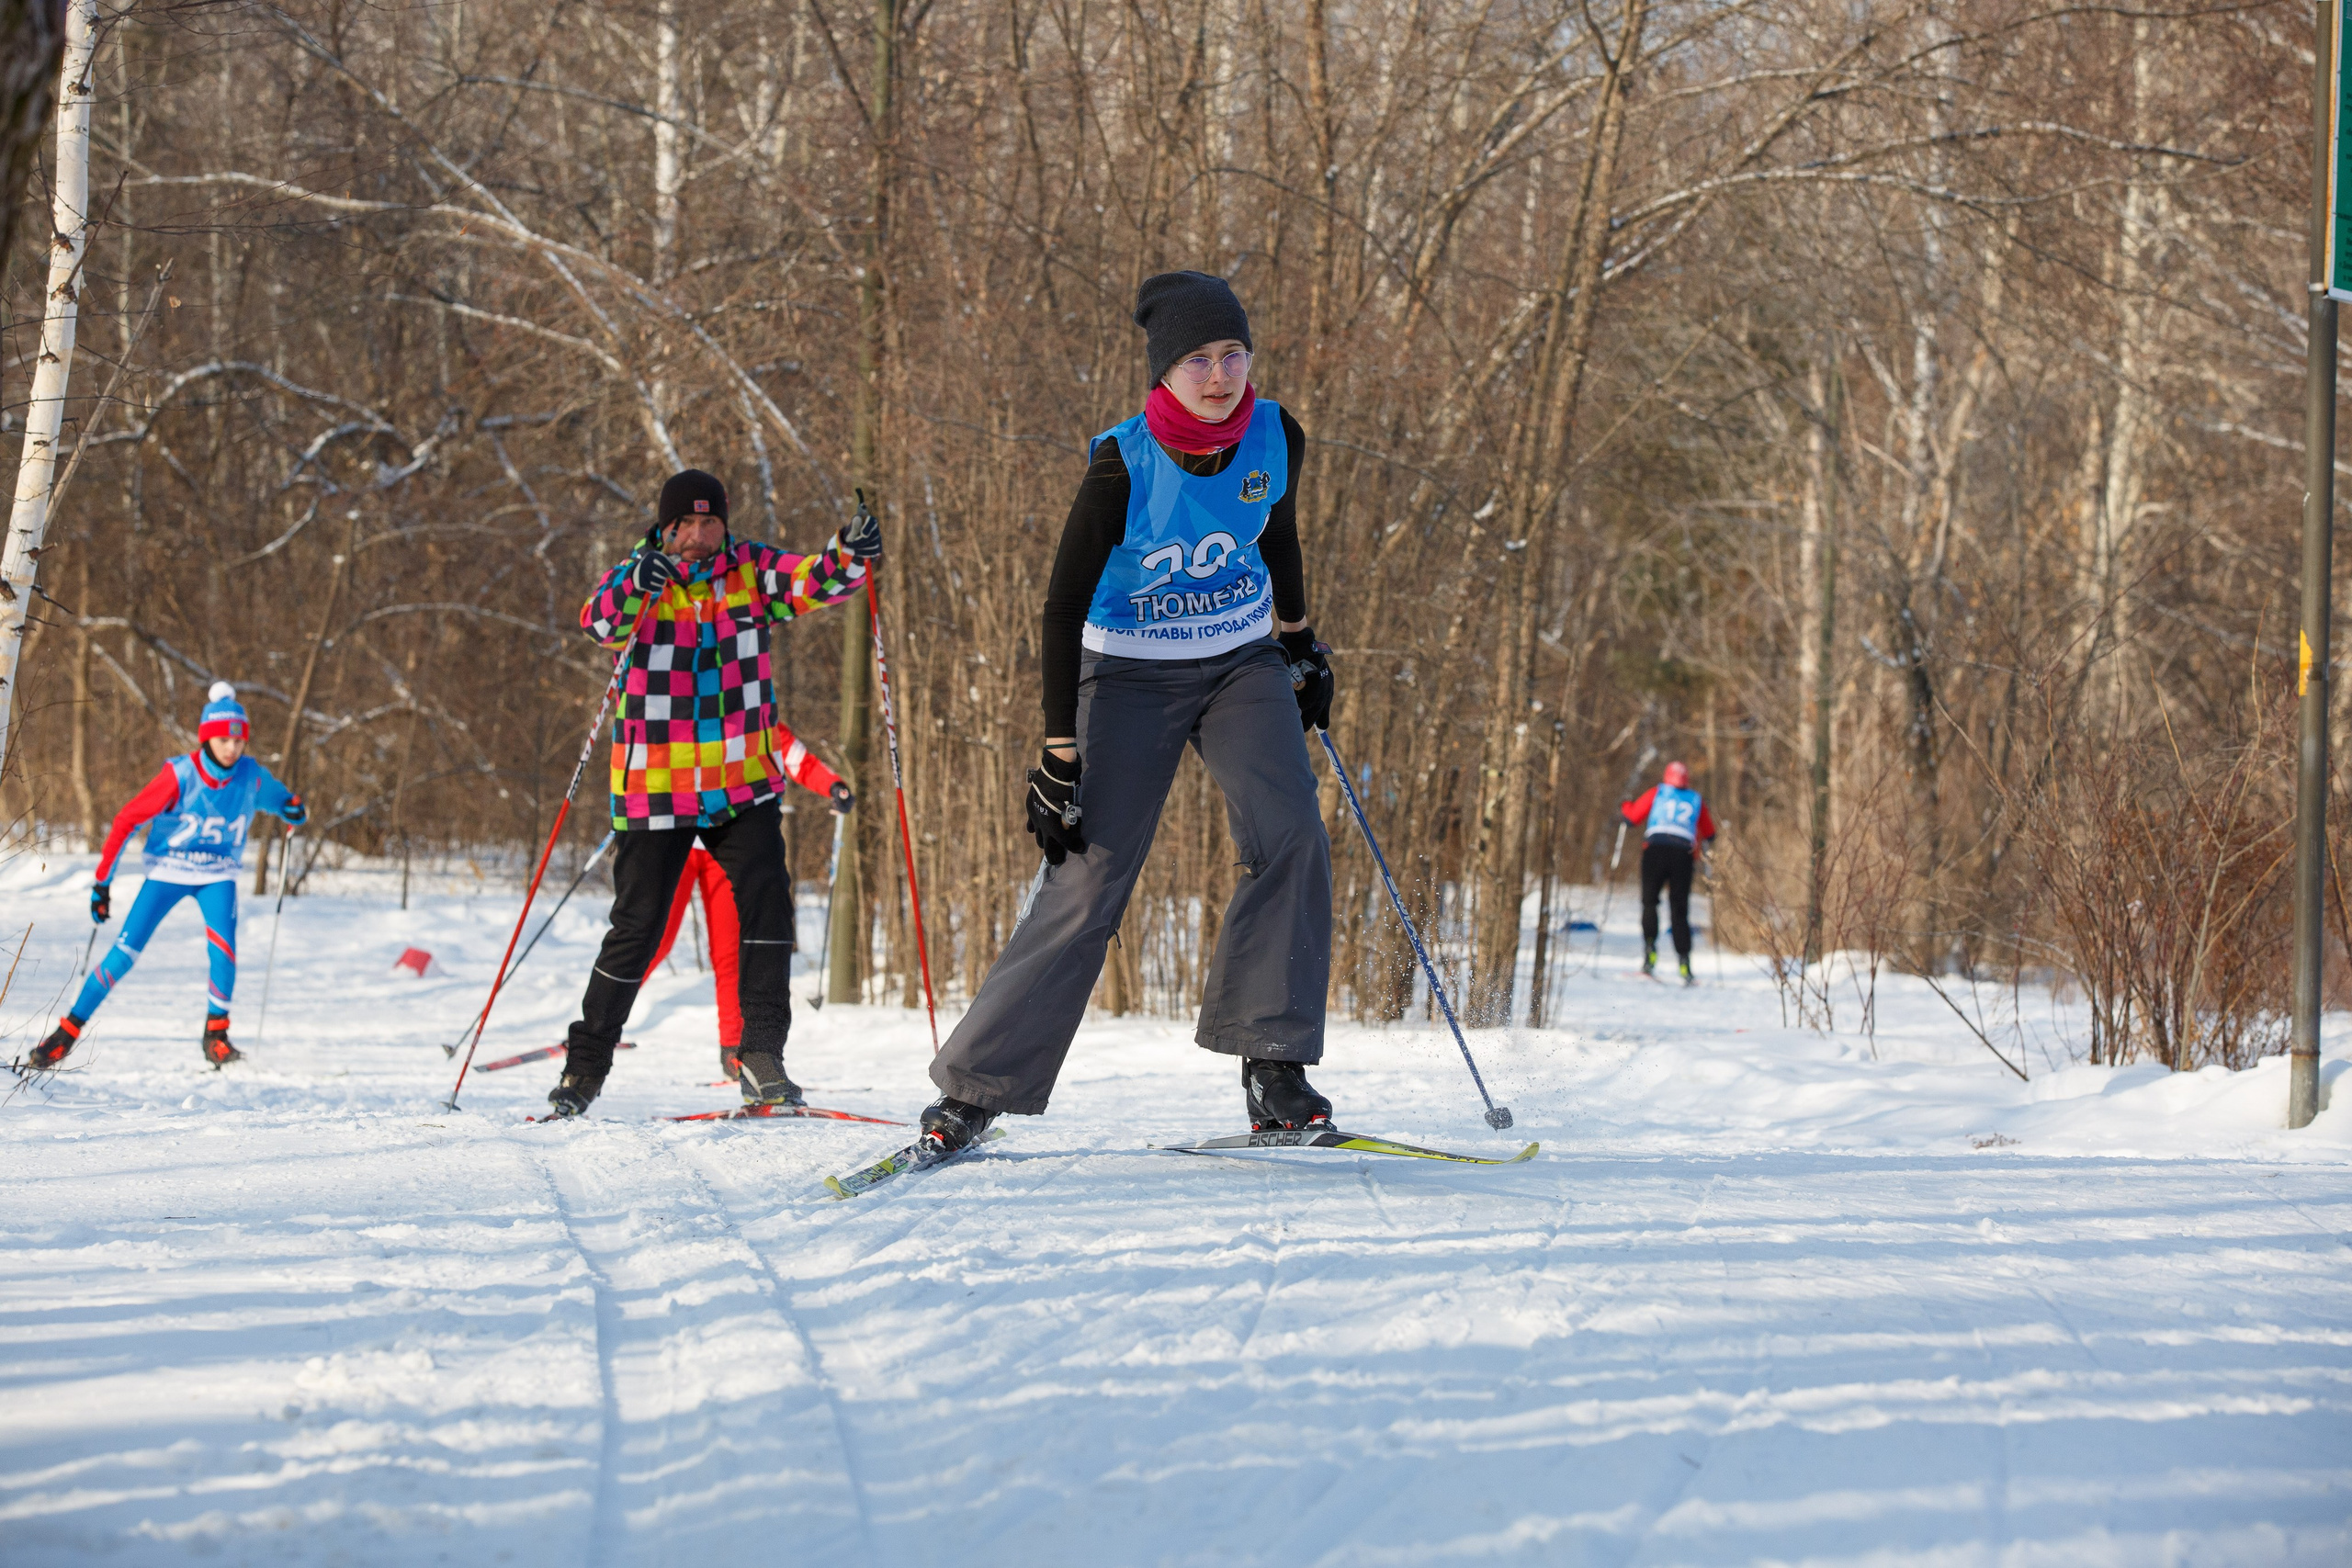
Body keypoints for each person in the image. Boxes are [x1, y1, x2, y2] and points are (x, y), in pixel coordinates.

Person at [916, 269, 1339, 1157]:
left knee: (1293, 831)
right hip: (1129, 668)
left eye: (1233, 354)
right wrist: (1058, 752)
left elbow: (1282, 530)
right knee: (1089, 877)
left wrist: (1298, 640)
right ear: (1164, 372)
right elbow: (1061, 606)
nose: (1220, 375)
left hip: (1238, 660)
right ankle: (974, 1091)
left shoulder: (1276, 433)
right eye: (1198, 361)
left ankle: (1272, 1064)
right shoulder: (1122, 459)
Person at [547, 468, 868, 1119]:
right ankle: (584, 1068)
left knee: (768, 907)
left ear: (724, 525)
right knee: (636, 929)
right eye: (684, 525)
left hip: (740, 780)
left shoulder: (750, 572)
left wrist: (850, 550)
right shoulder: (641, 578)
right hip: (655, 788)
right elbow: (596, 621)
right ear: (664, 529)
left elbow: (815, 579)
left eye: (709, 523)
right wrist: (636, 582)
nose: (696, 537)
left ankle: (760, 1054)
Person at [28, 682, 306, 1070]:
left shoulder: (250, 776)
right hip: (168, 870)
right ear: (208, 738)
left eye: (239, 741)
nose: (233, 748)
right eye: (224, 739)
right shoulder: (180, 774)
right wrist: (102, 883)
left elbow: (282, 800)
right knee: (125, 953)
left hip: (217, 875)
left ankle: (216, 1037)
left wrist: (293, 808)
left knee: (224, 951)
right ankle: (67, 1032)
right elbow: (127, 820)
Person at [641, 723, 848, 1082]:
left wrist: (834, 785)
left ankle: (733, 1049)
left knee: (729, 952)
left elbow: (799, 761)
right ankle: (602, 1027)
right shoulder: (682, 710)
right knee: (650, 937)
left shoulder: (758, 719)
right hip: (675, 838)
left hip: (728, 846)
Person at [1619, 761, 1717, 984]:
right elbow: (1710, 833)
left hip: (1656, 850)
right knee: (1680, 910)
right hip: (1682, 855)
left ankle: (1649, 954)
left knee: (1650, 902)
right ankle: (1684, 963)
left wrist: (1626, 806)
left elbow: (1632, 817)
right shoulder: (1695, 799)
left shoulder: (1658, 792)